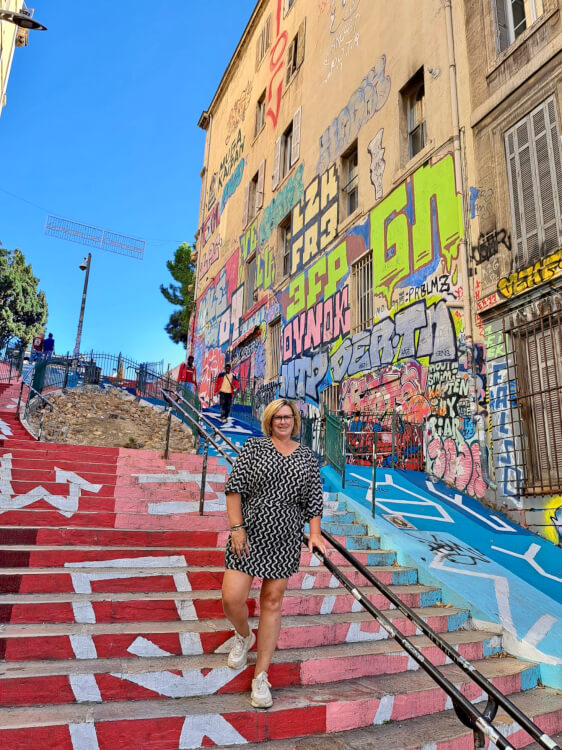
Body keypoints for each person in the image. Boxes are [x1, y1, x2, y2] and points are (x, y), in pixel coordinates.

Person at [221, 398, 326, 708]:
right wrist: (236, 528)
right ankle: (243, 635)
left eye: (288, 417)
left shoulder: (307, 457)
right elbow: (234, 489)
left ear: (295, 420)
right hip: (249, 532)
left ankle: (261, 676)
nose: (283, 422)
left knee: (271, 602)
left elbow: (313, 501)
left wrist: (316, 534)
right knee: (232, 597)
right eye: (278, 417)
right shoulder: (253, 448)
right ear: (270, 421)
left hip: (285, 536)